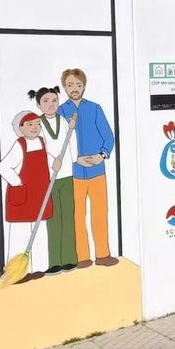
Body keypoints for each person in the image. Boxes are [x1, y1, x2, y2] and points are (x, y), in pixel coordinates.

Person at [57, 69, 118, 268]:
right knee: (77, 215)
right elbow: (58, 143)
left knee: (100, 213)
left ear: (84, 85)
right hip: (73, 174)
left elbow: (108, 136)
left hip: (97, 171)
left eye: (78, 85)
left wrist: (102, 155)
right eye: (70, 85)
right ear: (64, 87)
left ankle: (102, 255)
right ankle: (82, 257)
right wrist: (75, 160)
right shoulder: (60, 112)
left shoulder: (94, 108)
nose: (74, 89)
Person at [0, 111, 54, 282]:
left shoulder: (42, 142)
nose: (35, 127)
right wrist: (18, 183)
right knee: (19, 234)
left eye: (38, 124)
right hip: (23, 196)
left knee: (39, 232)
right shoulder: (19, 145)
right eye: (30, 124)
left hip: (39, 195)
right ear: (21, 128)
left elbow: (47, 160)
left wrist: (55, 162)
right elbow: (4, 167)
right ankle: (16, 273)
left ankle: (38, 268)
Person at [29, 86, 78, 273]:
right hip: (49, 177)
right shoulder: (37, 124)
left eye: (54, 100)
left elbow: (71, 143)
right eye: (46, 101)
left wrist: (69, 161)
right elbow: (38, 147)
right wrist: (52, 161)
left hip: (67, 174)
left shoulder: (64, 121)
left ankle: (70, 259)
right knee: (53, 218)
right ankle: (55, 261)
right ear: (39, 104)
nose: (51, 105)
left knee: (68, 216)